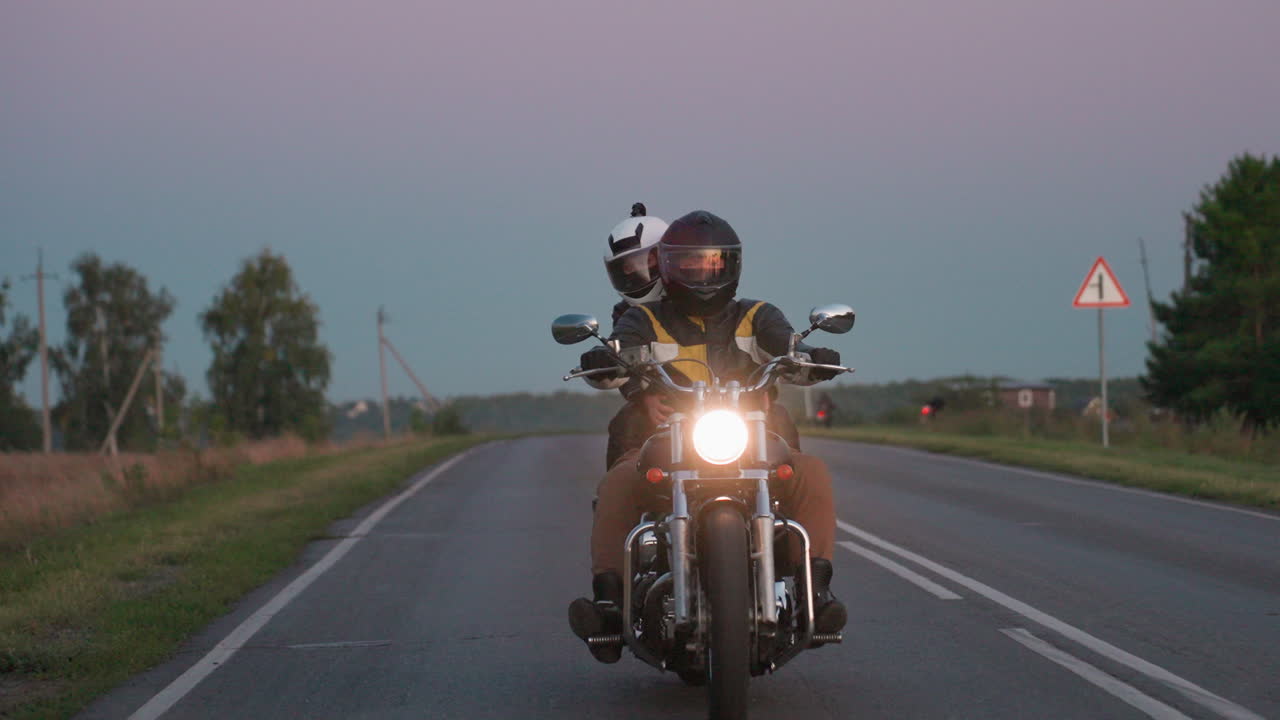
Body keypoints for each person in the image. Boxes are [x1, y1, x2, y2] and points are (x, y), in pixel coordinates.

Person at [568, 210, 846, 663]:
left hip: (751, 440)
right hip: (668, 440)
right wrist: (606, 363)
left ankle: (819, 590)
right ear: (669, 267)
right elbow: (619, 349)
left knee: (810, 470)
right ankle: (608, 601)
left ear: (731, 266)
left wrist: (810, 356)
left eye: (712, 263)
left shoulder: (757, 315)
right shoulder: (645, 319)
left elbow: (786, 344)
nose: (702, 273)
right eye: (690, 264)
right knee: (619, 479)